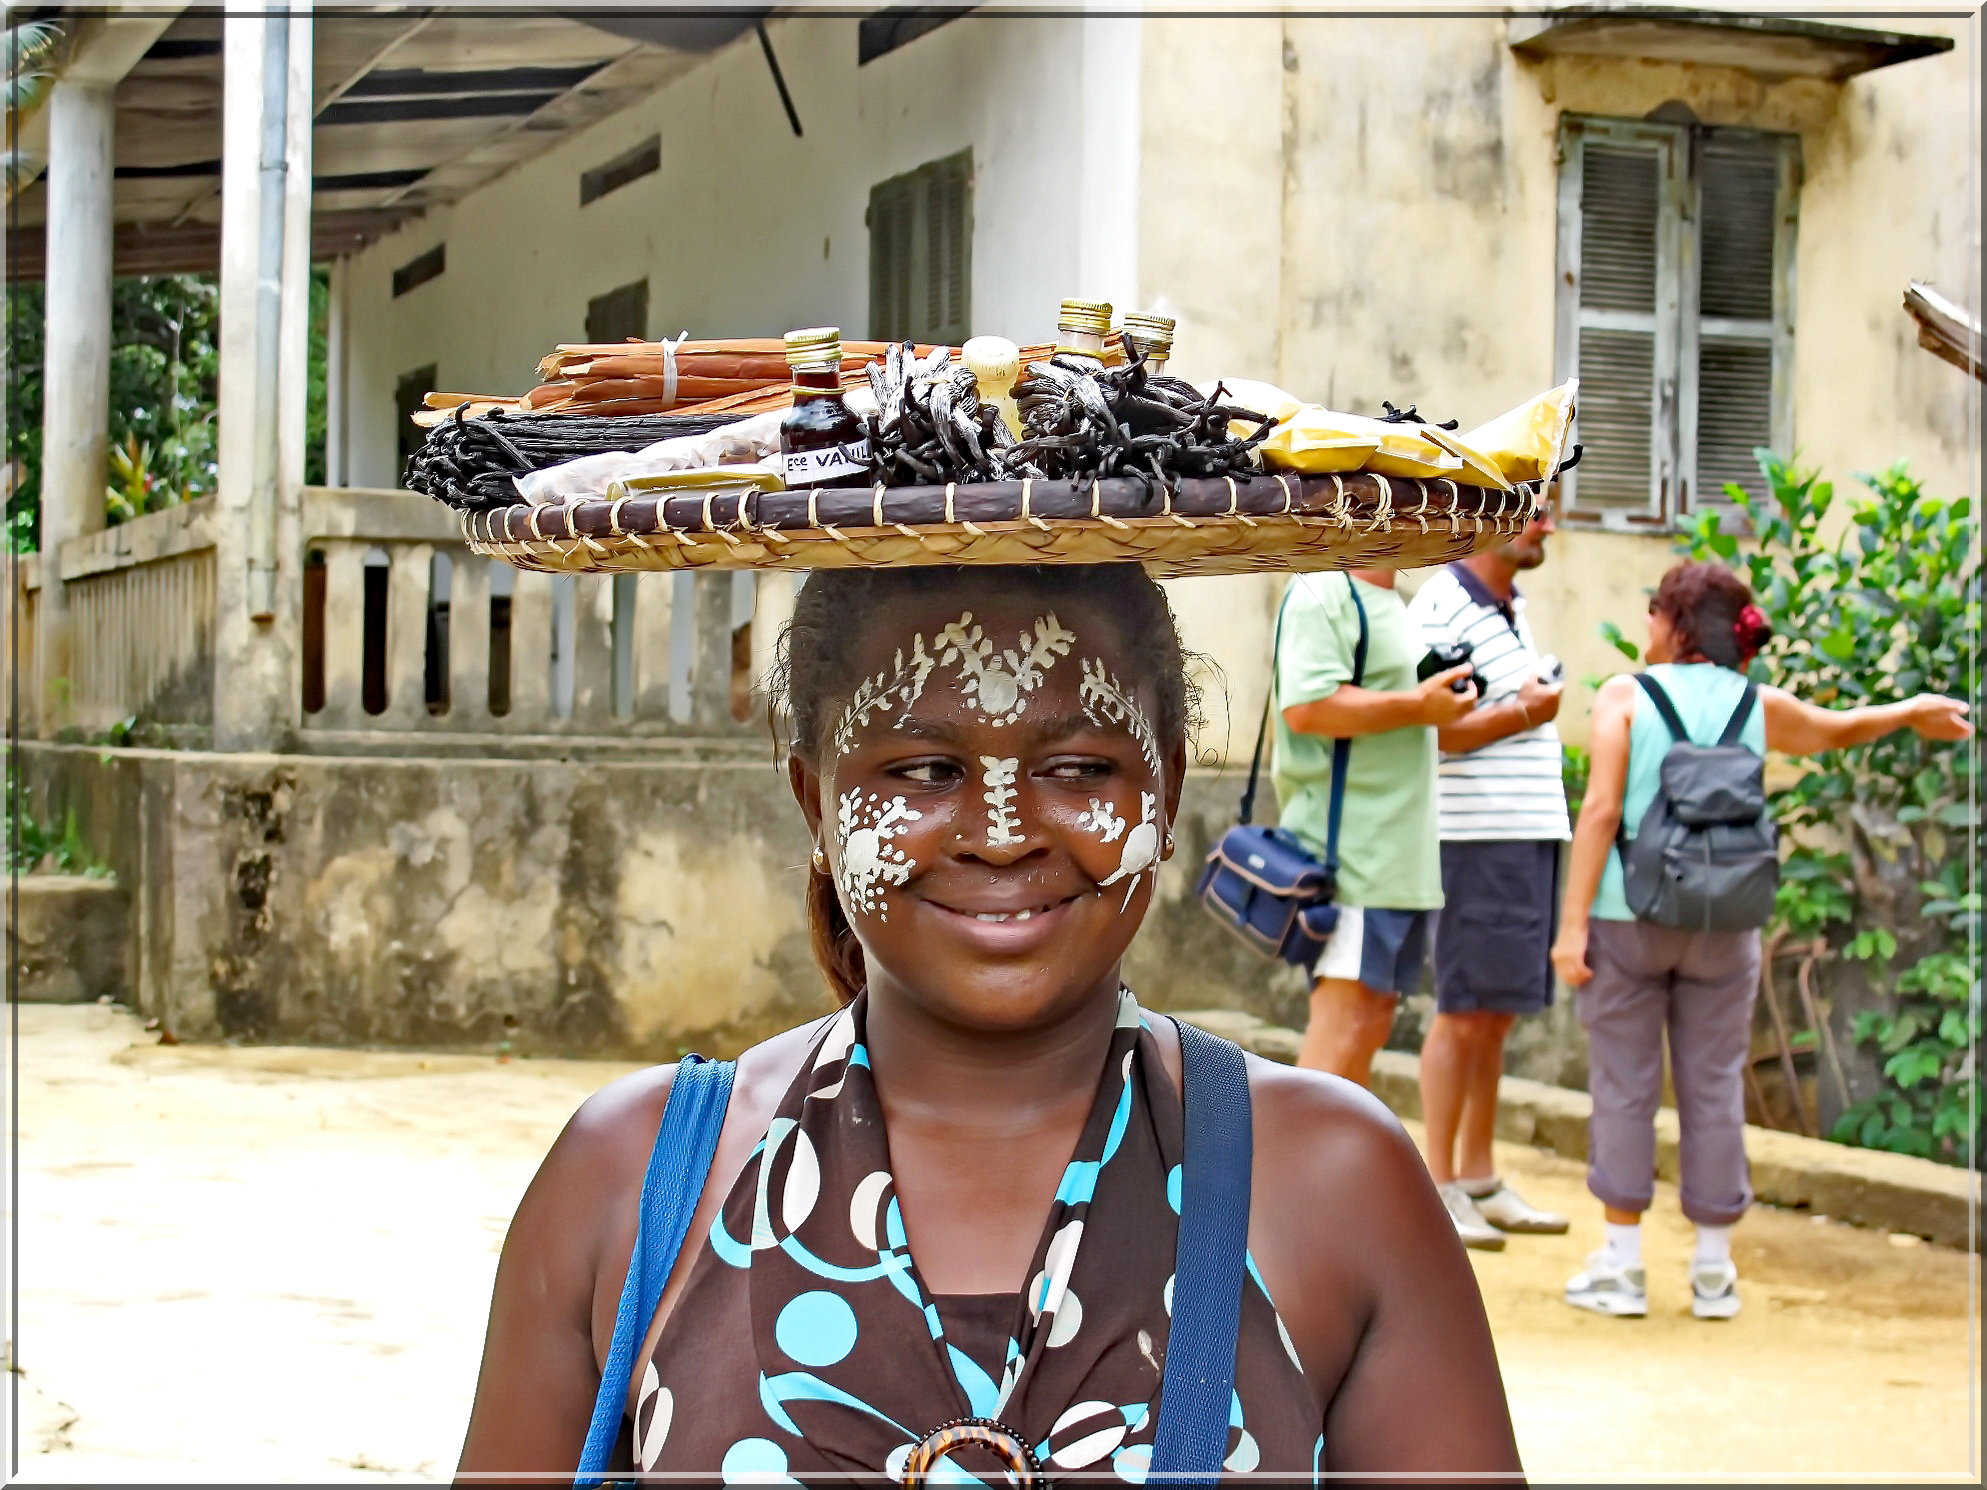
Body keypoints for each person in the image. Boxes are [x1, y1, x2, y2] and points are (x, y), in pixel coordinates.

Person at [460, 564, 1521, 1481]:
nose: (1003, 834)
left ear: (1165, 783)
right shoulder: (634, 1180)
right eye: (924, 769)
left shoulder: (1335, 1184)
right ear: (815, 802)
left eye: (1078, 767)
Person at [1550, 560, 1970, 1320]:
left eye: (1653, 612)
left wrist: (1572, 925)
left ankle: (1621, 1266)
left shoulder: (1625, 697)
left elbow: (1601, 811)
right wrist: (1908, 709)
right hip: (1726, 923)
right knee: (1713, 1086)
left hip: (1628, 917)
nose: (1646, 626)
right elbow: (1835, 732)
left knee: (1625, 1086)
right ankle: (1713, 1272)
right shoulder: (1755, 703)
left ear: (1678, 624)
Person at [1407, 514, 1572, 1251]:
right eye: (1528, 508)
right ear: (1484, 519)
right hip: (1473, 836)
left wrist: (1522, 709)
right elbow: (1435, 728)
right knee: (1464, 1008)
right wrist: (1526, 711)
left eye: (1549, 507)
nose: (1544, 523)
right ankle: (1438, 1185)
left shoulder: (1510, 608)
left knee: (1497, 1012)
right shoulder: (1441, 605)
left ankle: (1478, 1175)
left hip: (1525, 829)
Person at [1274, 568, 1477, 1088]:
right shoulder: (1323, 591)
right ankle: (1286, 1171)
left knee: (1370, 1024)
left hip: (1399, 862)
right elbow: (1306, 705)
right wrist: (1418, 706)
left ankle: (1336, 1171)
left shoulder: (1392, 599)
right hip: (1351, 859)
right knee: (1343, 1029)